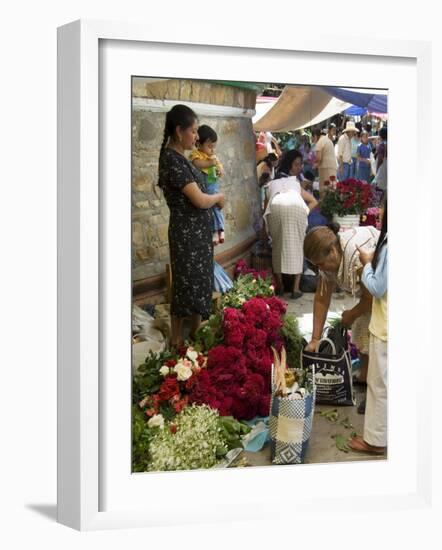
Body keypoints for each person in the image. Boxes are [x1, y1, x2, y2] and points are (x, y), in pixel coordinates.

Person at [158, 105, 225, 349]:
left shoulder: (181, 159)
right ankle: (177, 341)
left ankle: (195, 333)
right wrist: (218, 198)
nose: (197, 137)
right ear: (179, 131)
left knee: (199, 282)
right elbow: (199, 199)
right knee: (186, 284)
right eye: (193, 131)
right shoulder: (172, 161)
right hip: (187, 235)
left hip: (196, 235)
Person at [303, 223, 380, 385]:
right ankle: (365, 377)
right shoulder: (328, 260)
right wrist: (315, 339)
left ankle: (376, 388)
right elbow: (321, 299)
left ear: (332, 251)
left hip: (386, 287)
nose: (319, 269)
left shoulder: (356, 257)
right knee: (361, 326)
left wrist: (351, 315)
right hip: (372, 292)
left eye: (320, 264)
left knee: (375, 333)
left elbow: (371, 297)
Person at [349, 198, 388, 454]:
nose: (380, 211)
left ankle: (375, 441)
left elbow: (377, 287)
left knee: (379, 385)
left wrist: (366, 265)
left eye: (383, 206)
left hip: (386, 325)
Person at [263, 150, 318, 299]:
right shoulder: (294, 182)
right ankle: (295, 289)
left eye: (301, 164)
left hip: (275, 205)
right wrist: (304, 212)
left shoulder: (272, 183)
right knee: (298, 245)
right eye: (297, 164)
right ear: (289, 165)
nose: (300, 167)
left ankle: (280, 287)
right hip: (296, 205)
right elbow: (314, 201)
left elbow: (266, 208)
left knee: (277, 246)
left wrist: (265, 231)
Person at [189, 125, 226, 244]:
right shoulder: (196, 154)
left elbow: (220, 169)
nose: (212, 150)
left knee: (215, 207)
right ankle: (215, 230)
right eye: (209, 146)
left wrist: (220, 170)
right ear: (199, 144)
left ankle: (220, 229)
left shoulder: (213, 157)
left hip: (212, 182)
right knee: (211, 208)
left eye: (214, 147)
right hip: (204, 184)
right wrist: (210, 163)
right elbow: (197, 164)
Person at [314, 124, 337, 196]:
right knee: (332, 187)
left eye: (312, 138)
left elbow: (319, 158)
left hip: (325, 167)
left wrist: (314, 165)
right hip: (332, 166)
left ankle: (324, 205)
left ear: (315, 136)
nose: (312, 140)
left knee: (324, 189)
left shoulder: (319, 142)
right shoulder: (326, 140)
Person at [375, 126, 388, 194]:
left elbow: (380, 159)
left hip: (383, 168)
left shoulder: (382, 145)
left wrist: (377, 170)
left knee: (380, 188)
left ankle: (381, 204)